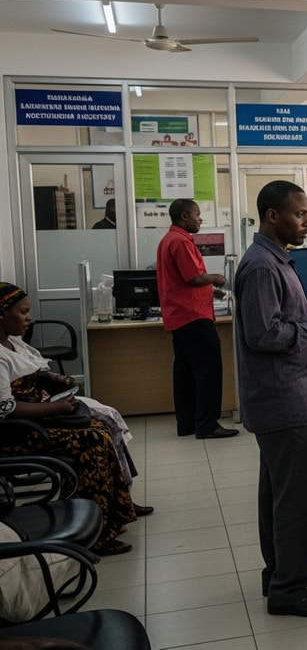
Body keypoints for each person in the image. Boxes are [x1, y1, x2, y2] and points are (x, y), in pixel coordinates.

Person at [234, 180, 307, 617]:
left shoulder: (275, 259)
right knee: (297, 497)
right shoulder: (263, 265)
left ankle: (282, 570)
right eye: (299, 214)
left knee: (279, 493)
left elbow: (281, 321)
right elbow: (263, 334)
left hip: (285, 396)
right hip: (283, 400)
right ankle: (288, 588)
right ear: (272, 215)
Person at [0, 282, 149, 557]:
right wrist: (54, 410)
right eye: (23, 312)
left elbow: (33, 369)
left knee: (103, 427)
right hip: (17, 433)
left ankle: (115, 513)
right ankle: (98, 535)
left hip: (37, 419)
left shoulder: (12, 341)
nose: (29, 318)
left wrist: (51, 380)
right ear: (1, 315)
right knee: (92, 441)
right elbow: (5, 408)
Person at [155, 198, 237, 440]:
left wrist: (212, 291)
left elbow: (182, 280)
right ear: (184, 216)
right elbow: (193, 277)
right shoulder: (180, 241)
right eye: (197, 214)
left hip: (180, 316)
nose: (200, 218)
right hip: (193, 317)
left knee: (186, 373)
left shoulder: (168, 240)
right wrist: (216, 278)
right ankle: (207, 424)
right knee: (208, 371)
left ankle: (187, 423)